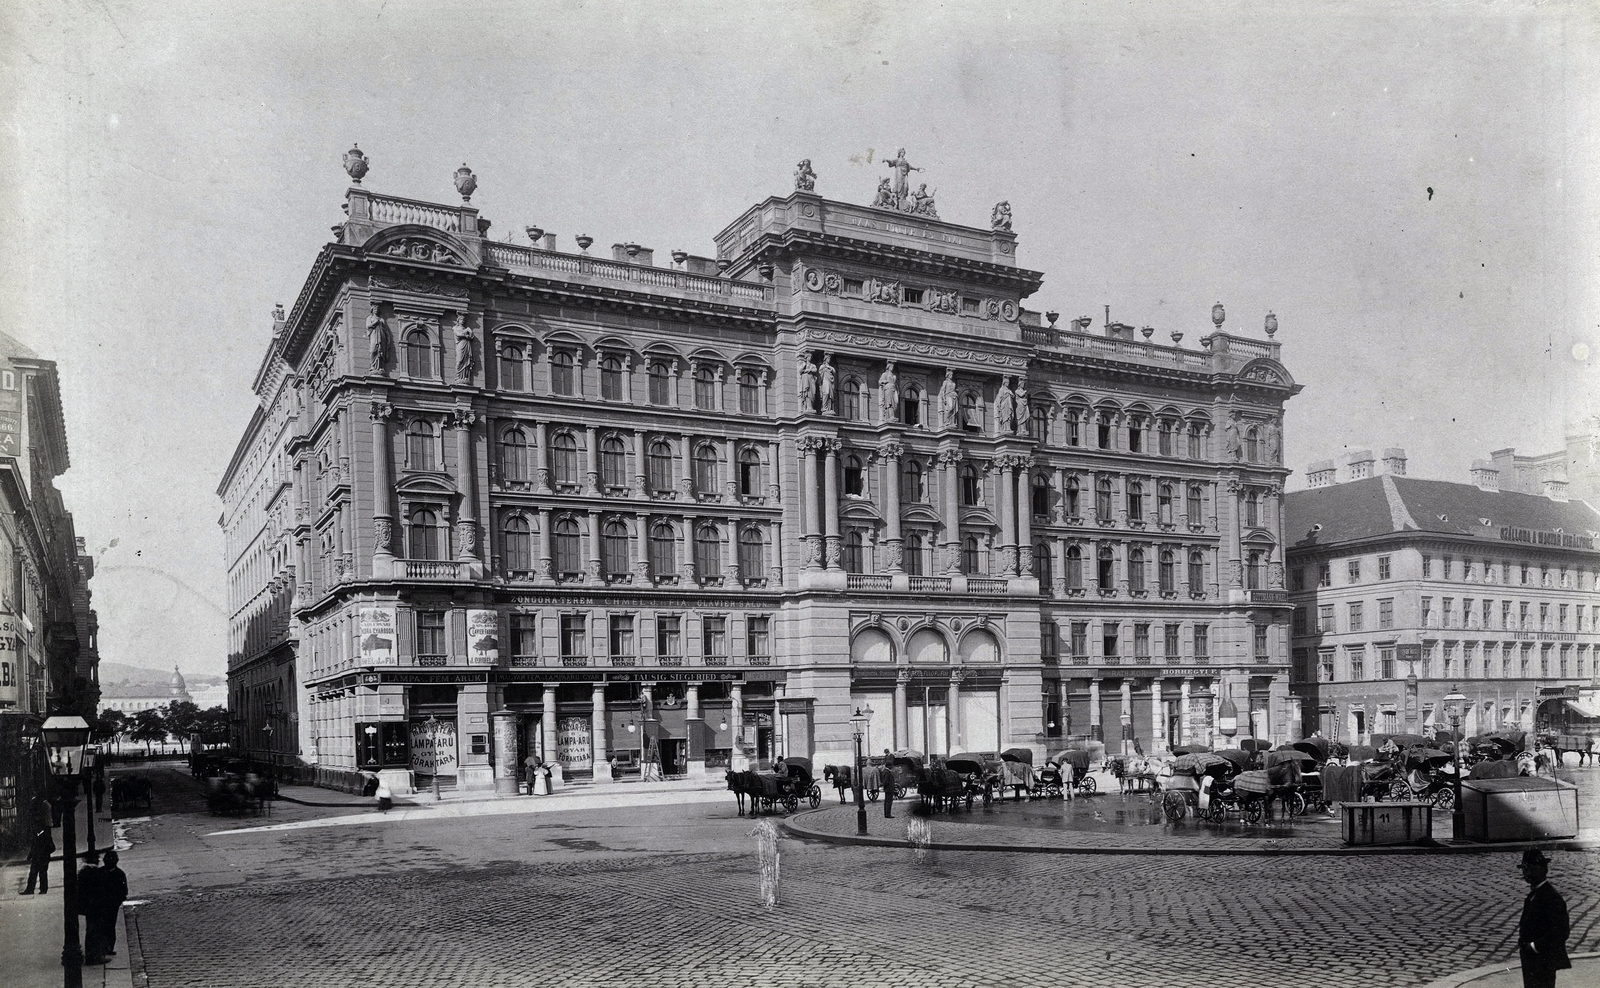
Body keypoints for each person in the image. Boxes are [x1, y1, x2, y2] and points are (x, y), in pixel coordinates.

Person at [1518, 848, 1571, 987]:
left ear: (1543, 870)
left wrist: (1534, 946)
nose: (1526, 873)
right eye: (1524, 869)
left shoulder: (1551, 897)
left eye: (1530, 869)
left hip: (1543, 958)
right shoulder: (1534, 894)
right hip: (1532, 958)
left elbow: (1561, 931)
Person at [90, 850, 129, 961]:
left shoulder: (117, 874)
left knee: (109, 926)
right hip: (102, 904)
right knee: (105, 926)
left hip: (111, 905)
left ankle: (108, 947)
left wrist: (117, 901)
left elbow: (123, 891)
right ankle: (105, 946)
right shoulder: (105, 873)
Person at [77, 853, 105, 963]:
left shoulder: (84, 872)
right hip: (95, 906)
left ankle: (92, 955)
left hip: (88, 906)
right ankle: (94, 956)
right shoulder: (94, 872)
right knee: (95, 931)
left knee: (91, 930)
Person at [22, 820, 54, 894]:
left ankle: (42, 889)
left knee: (41, 874)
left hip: (42, 858)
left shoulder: (45, 836)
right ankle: (32, 889)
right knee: (34, 873)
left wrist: (44, 853)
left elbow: (52, 847)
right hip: (37, 858)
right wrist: (30, 856)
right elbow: (34, 847)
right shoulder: (36, 835)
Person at [881, 749, 896, 819]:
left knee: (886, 801)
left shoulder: (885, 771)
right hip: (889, 789)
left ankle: (886, 813)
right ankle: (888, 814)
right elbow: (886, 781)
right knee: (889, 801)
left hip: (888, 789)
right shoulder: (887, 772)